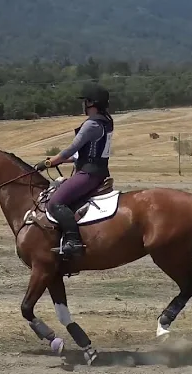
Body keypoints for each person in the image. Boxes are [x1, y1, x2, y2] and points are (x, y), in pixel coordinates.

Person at [34, 83, 114, 256]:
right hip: (99, 171)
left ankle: (74, 242)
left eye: (85, 101)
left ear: (91, 102)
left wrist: (48, 163)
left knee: (55, 202)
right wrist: (60, 161)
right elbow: (85, 153)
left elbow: (70, 150)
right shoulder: (106, 121)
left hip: (89, 174)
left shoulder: (91, 125)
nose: (83, 104)